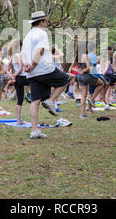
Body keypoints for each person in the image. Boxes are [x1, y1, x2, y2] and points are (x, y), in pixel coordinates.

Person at [21, 11, 71, 139]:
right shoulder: (42, 33)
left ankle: (34, 130)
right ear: (42, 22)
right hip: (43, 68)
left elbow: (22, 55)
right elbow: (40, 50)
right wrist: (33, 64)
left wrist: (27, 65)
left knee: (35, 100)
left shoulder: (27, 36)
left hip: (32, 73)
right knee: (66, 79)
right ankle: (51, 100)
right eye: (46, 21)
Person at [72, 41, 108, 119]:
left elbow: (71, 68)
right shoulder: (86, 56)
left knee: (83, 96)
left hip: (79, 77)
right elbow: (88, 67)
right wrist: (84, 71)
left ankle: (82, 114)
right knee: (101, 83)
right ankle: (92, 98)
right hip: (87, 75)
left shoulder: (77, 56)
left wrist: (79, 71)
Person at [7, 40, 30, 125]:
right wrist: (15, 75)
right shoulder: (19, 55)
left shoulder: (12, 56)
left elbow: (7, 69)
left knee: (19, 100)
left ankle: (18, 120)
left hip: (17, 79)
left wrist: (12, 76)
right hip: (24, 77)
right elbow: (20, 69)